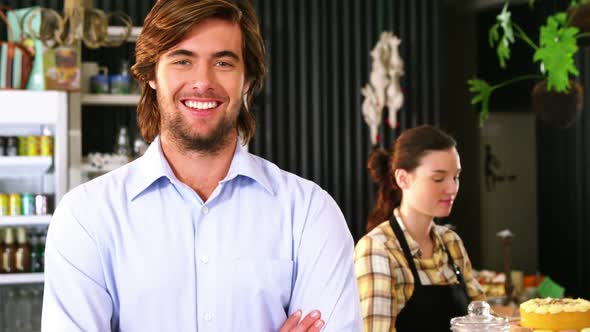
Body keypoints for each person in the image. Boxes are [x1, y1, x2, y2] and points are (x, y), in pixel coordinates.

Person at [41, 1, 361, 331]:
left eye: (223, 62)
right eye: (183, 60)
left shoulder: (309, 212)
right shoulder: (87, 216)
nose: (202, 82)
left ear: (247, 79)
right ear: (151, 74)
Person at [354, 125, 484, 331]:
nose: (452, 188)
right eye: (438, 178)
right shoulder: (378, 249)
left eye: (455, 177)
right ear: (403, 179)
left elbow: (481, 319)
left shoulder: (451, 242)